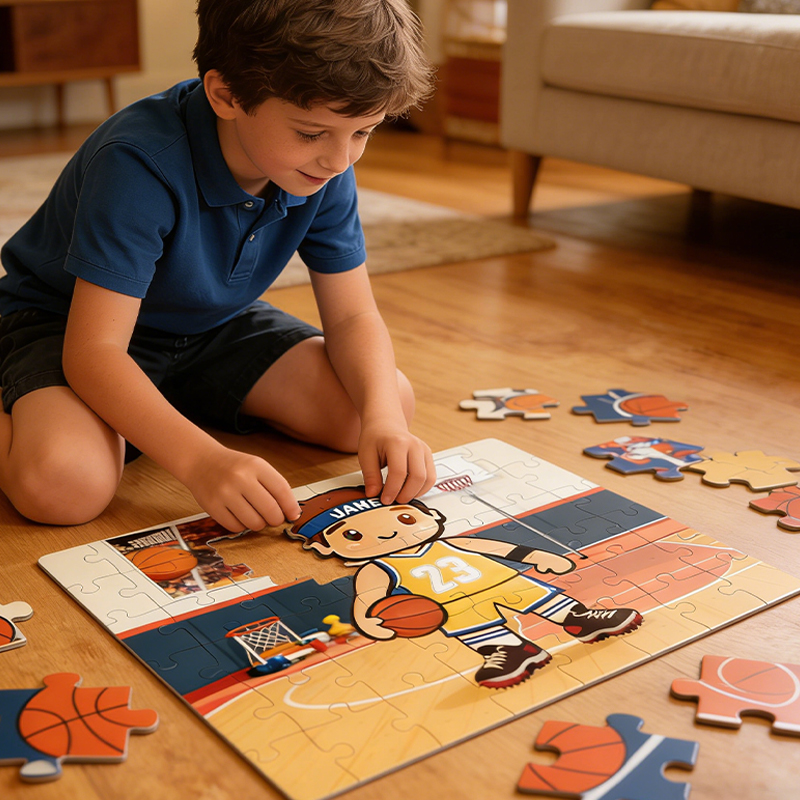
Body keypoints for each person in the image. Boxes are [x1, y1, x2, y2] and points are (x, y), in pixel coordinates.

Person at [0, 0, 437, 531]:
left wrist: (385, 420)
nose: (340, 159)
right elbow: (94, 353)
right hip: (69, 327)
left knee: (381, 403)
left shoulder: (324, 164)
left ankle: (166, 406)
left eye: (364, 132)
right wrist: (201, 461)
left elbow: (350, 318)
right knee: (64, 486)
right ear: (226, 95)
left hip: (208, 327)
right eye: (310, 132)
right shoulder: (138, 162)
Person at [288, 486, 644, 689]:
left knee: (544, 599)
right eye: (353, 535)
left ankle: (584, 619)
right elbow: (369, 600)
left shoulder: (454, 542)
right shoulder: (378, 567)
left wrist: (536, 555)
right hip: (451, 609)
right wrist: (369, 622)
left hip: (505, 583)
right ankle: (514, 652)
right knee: (479, 632)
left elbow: (497, 548)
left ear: (431, 517)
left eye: (405, 518)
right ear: (325, 547)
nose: (386, 533)